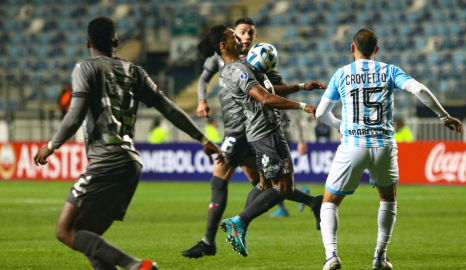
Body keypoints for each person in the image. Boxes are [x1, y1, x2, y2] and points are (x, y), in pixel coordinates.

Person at [33, 17, 225, 270]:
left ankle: (137, 266)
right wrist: (202, 139)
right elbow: (168, 108)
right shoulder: (135, 71)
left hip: (106, 161)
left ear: (88, 42)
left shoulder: (85, 68)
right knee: (92, 242)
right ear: (116, 41)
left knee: (66, 231)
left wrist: (52, 145)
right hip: (130, 164)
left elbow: (75, 113)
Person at [315, 28, 462, 270]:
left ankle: (331, 255)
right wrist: (444, 116)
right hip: (383, 145)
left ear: (352, 48)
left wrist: (340, 125)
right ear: (376, 50)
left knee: (329, 202)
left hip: (353, 145)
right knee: (388, 199)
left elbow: (321, 113)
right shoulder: (389, 70)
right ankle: (380, 257)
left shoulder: (341, 74)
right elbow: (420, 90)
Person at [182, 19, 324, 259]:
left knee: (264, 184)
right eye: (235, 36)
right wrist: (304, 106)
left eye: (246, 34)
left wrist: (301, 87)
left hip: (259, 131)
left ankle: (239, 227)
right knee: (278, 186)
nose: (241, 39)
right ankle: (234, 225)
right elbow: (265, 98)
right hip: (254, 132)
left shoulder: (243, 65)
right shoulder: (237, 69)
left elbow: (269, 89)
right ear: (224, 45)